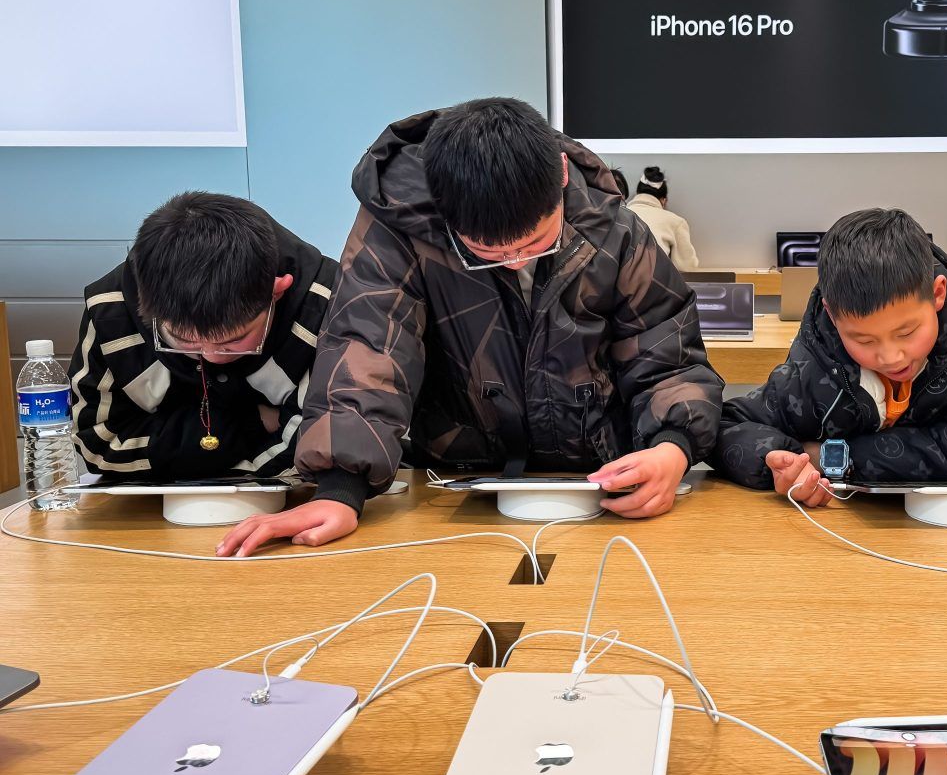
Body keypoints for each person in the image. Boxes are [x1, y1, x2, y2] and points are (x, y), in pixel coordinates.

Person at [217, 98, 723, 556]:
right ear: (444, 208)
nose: (514, 262)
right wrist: (339, 490)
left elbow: (665, 350)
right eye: (488, 254)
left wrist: (671, 447)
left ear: (562, 176)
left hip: (601, 483)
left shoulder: (615, 229)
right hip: (457, 484)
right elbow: (368, 345)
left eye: (534, 243)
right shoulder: (399, 229)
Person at [711, 208, 947, 505]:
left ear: (937, 294)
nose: (891, 357)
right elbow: (724, 426)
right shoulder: (817, 360)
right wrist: (785, 464)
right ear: (831, 316)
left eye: (907, 332)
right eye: (863, 339)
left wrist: (827, 458)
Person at [69, 192, 337, 480]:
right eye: (183, 341)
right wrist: (258, 421)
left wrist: (172, 445)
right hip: (148, 513)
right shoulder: (110, 307)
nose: (211, 356)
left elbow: (322, 446)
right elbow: (97, 444)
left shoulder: (328, 304)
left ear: (277, 291)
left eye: (233, 341)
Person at [626, 166, 700, 270]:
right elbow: (687, 267)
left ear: (638, 194)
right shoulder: (675, 222)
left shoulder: (617, 215)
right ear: (664, 201)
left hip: (614, 283)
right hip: (653, 282)